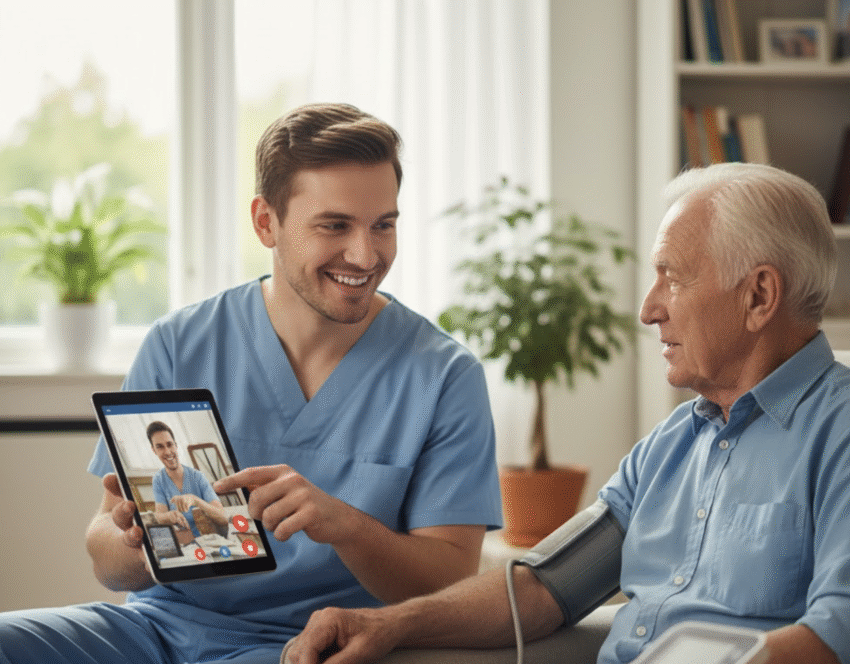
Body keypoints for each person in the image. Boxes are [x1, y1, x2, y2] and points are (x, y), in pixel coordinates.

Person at [284, 162, 850, 664]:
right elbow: (542, 588)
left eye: (671, 280)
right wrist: (387, 625)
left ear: (758, 295)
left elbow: (847, 630)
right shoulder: (673, 442)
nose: (649, 310)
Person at [0, 103, 502, 664]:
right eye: (335, 225)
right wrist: (138, 545)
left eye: (383, 225)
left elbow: (450, 581)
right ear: (266, 222)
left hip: (303, 647)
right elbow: (105, 553)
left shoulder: (443, 376)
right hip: (153, 629)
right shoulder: (179, 342)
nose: (366, 255)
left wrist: (347, 526)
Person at [146, 420, 227, 538]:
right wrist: (169, 516)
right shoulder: (158, 480)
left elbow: (223, 518)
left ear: (176, 445)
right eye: (160, 447)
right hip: (186, 542)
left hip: (211, 537)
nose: (168, 452)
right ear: (154, 450)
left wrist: (195, 500)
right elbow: (160, 516)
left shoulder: (198, 476)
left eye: (170, 444)